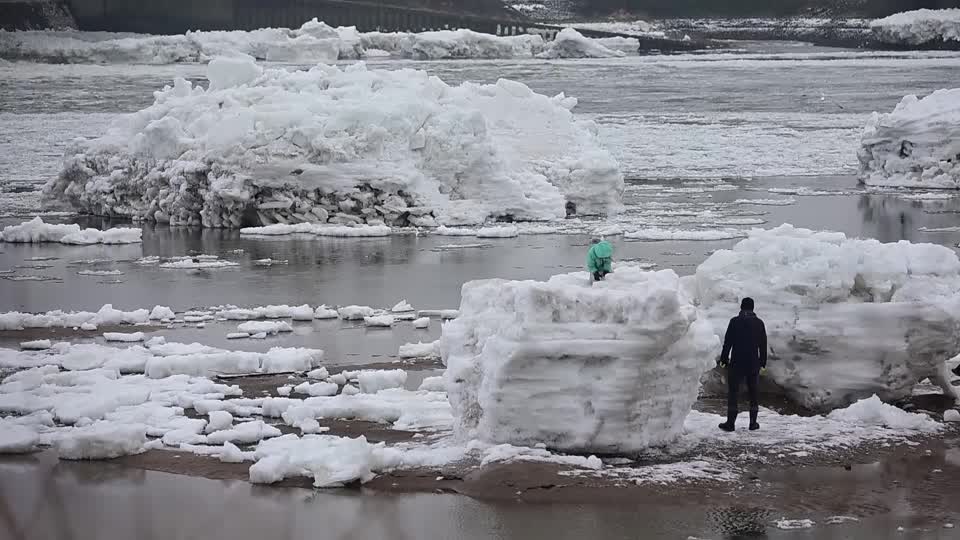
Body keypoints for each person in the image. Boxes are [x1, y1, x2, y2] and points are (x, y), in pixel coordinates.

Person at [718, 297, 767, 432]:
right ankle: (753, 423)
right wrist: (763, 362)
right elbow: (763, 345)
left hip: (737, 362)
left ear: (741, 307)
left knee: (733, 392)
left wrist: (724, 359)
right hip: (753, 362)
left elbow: (728, 342)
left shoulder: (734, 321)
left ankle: (730, 424)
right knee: (753, 393)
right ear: (753, 308)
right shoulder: (759, 323)